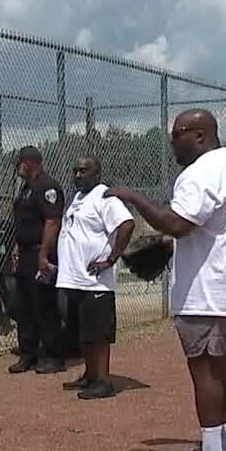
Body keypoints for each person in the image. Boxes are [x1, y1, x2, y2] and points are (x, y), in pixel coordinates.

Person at [105, 109, 226, 451]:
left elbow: (177, 224)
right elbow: (202, 229)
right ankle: (222, 450)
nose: (172, 141)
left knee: (205, 369)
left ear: (199, 135)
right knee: (221, 366)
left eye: (177, 134)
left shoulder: (201, 172)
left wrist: (133, 197)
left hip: (210, 290)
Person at [55, 156, 135, 400]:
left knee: (99, 333)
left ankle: (103, 381)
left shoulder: (105, 197)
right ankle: (90, 375)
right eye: (76, 170)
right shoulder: (78, 197)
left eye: (84, 171)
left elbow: (127, 224)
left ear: (97, 174)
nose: (78, 175)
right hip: (74, 278)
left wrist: (110, 259)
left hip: (95, 281)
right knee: (84, 331)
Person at [8, 146, 67, 375]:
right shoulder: (26, 188)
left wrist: (43, 254)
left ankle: (53, 356)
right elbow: (24, 223)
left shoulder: (47, 186)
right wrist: (17, 248)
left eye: (19, 163)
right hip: (25, 252)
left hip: (40, 252)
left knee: (44, 304)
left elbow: (52, 222)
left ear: (28, 163)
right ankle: (28, 353)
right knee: (25, 306)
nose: (17, 168)